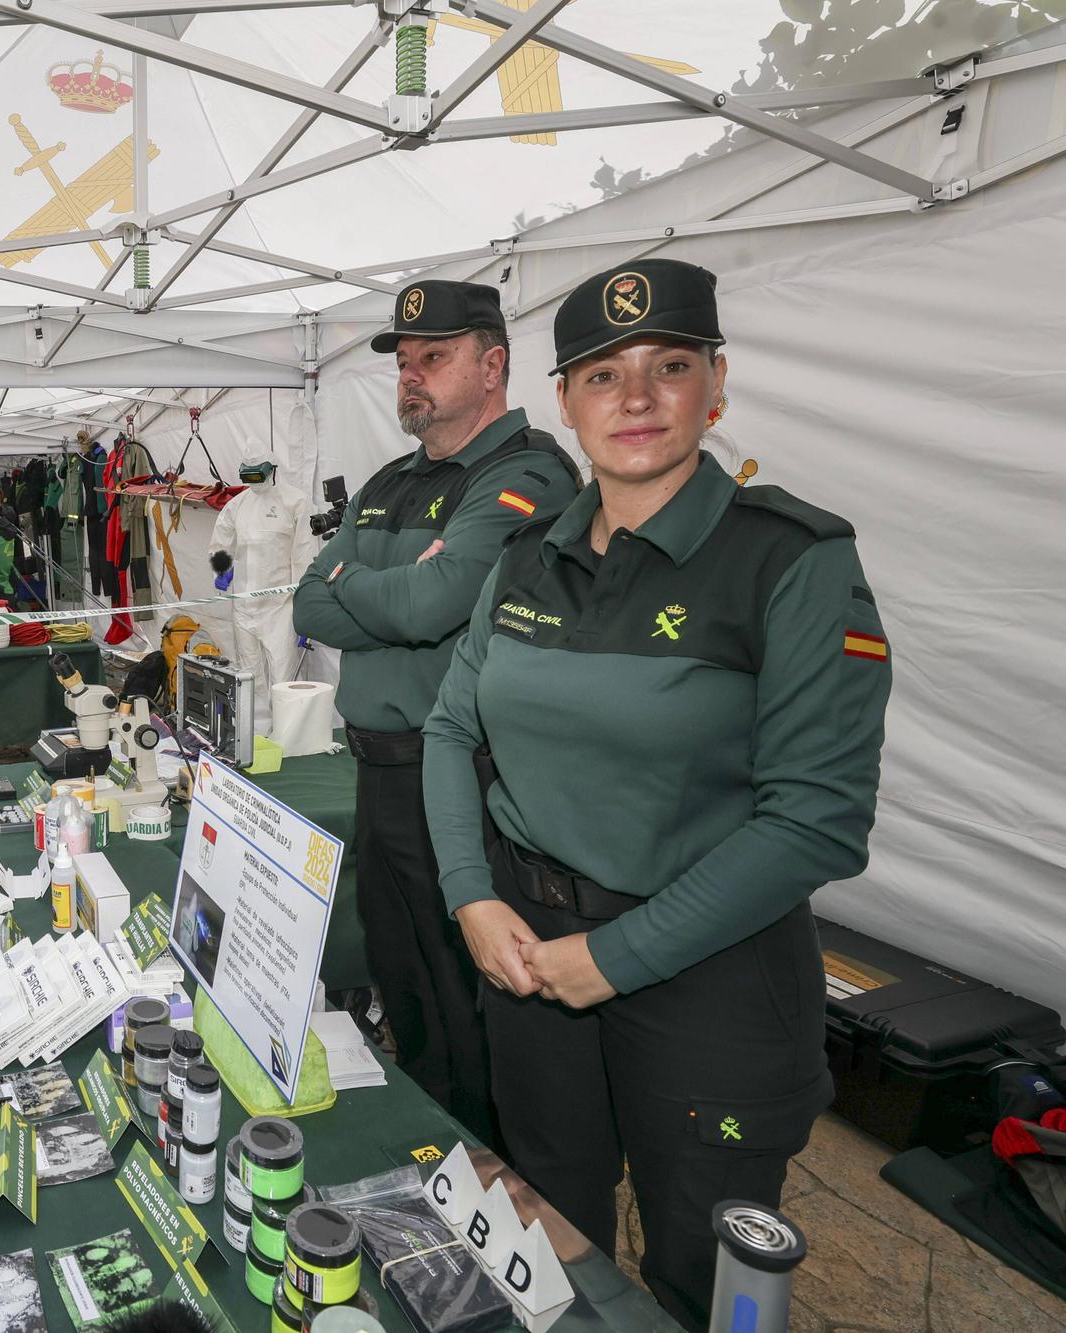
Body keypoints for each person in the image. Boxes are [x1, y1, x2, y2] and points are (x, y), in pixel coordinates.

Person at [421, 259, 891, 1329]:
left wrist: (618, 957)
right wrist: (469, 894)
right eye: (600, 375)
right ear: (564, 404)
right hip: (527, 954)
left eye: (666, 366)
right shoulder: (527, 556)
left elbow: (815, 817)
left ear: (713, 386)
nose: (633, 398)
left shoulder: (791, 559)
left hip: (707, 973)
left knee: (700, 1266)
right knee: (548, 1234)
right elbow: (453, 727)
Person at [293, 280, 579, 1141]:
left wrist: (367, 588)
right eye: (406, 362)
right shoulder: (389, 481)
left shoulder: (530, 474)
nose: (411, 377)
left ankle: (492, 1169)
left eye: (435, 357)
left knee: (471, 1000)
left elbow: (434, 604)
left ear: (492, 365)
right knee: (401, 978)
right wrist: (393, 589)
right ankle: (425, 1148)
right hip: (376, 774)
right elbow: (309, 604)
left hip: (463, 780)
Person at [208, 440, 320, 731]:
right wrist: (223, 568)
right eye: (248, 478)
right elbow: (221, 542)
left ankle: (287, 737)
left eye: (258, 477)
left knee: (283, 677)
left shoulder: (295, 502)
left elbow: (304, 555)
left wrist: (304, 608)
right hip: (245, 608)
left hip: (281, 607)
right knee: (249, 675)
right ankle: (256, 737)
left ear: (271, 471)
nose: (253, 484)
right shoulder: (237, 506)